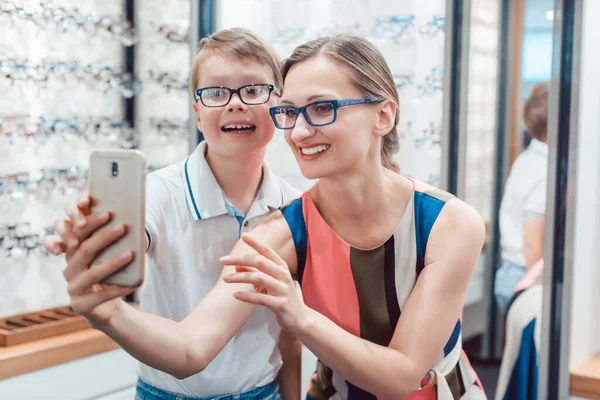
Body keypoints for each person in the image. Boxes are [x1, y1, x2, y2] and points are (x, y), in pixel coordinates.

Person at [49, 35, 486, 399]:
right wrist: (105, 312)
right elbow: (192, 349)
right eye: (290, 112)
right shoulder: (279, 230)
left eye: (321, 108)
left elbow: (403, 377)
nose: (297, 132)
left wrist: (299, 317)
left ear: (384, 115)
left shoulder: (448, 224)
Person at [44, 28, 301, 400]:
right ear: (197, 114)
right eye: (215, 93)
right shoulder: (158, 193)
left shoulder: (292, 208)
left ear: (279, 107)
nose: (235, 103)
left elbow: (288, 335)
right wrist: (83, 236)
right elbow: (129, 233)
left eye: (253, 90)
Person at [494, 81, 549, 314]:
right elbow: (532, 244)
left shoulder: (528, 159)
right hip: (525, 277)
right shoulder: (547, 172)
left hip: (511, 272)